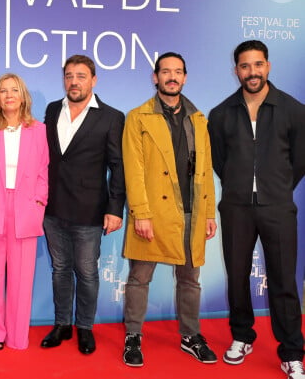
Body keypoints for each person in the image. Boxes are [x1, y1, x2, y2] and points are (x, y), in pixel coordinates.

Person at [208, 40, 305, 379]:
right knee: (237, 278)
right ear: (236, 70)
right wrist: (239, 186)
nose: (252, 72)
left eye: (258, 65)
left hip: (277, 207)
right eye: (245, 66)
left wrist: (275, 187)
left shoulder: (294, 110)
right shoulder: (220, 114)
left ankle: (292, 351)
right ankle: (241, 336)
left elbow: (299, 160)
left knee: (283, 281)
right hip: (235, 207)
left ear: (268, 66)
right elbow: (219, 161)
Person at [121, 52, 218, 367]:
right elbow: (132, 171)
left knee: (190, 278)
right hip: (153, 213)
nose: (172, 77)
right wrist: (141, 213)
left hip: (191, 211)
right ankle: (133, 336)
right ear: (155, 77)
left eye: (178, 72)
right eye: (166, 72)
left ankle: (191, 335)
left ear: (185, 78)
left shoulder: (198, 119)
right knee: (139, 278)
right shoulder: (137, 117)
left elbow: (206, 169)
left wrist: (208, 213)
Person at [41, 54, 125, 355]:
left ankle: (85, 327)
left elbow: (118, 166)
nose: (73, 81)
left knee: (86, 271)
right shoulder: (52, 110)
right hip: (52, 207)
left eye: (80, 75)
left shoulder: (112, 116)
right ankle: (62, 323)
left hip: (90, 210)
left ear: (93, 80)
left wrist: (115, 208)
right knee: (60, 269)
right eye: (68, 76)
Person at [0, 73, 49, 350]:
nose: (9, 95)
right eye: (3, 91)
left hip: (26, 207)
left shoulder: (38, 130)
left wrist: (39, 201)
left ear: (23, 95)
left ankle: (17, 335)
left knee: (21, 278)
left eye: (14, 90)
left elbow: (43, 170)